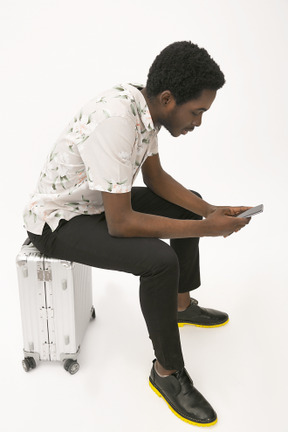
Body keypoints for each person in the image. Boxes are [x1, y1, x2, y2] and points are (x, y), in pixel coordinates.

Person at [24, 41, 250, 427]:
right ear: (167, 99)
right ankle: (166, 374)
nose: (198, 123)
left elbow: (156, 178)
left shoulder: (145, 111)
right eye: (197, 112)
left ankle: (180, 307)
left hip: (98, 203)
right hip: (60, 222)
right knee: (159, 262)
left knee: (189, 201)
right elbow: (121, 223)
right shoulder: (117, 119)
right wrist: (206, 229)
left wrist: (209, 210)